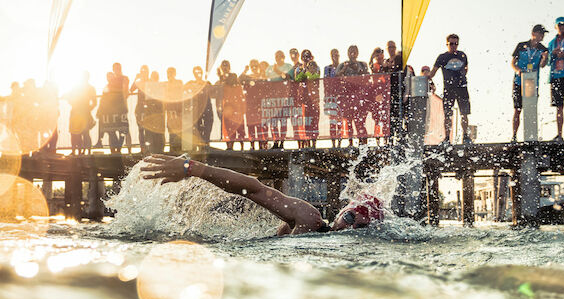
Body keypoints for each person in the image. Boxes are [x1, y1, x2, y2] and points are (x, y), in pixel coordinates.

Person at [141, 154, 385, 235]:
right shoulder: (310, 220)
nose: (350, 229)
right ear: (341, 212)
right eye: (351, 218)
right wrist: (193, 168)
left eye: (361, 228)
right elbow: (255, 188)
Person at [429, 34, 471, 145]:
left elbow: (466, 68)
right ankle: (447, 138)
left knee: (464, 113)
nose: (454, 46)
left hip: (462, 88)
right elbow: (433, 72)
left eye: (456, 44)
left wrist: (461, 76)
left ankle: (466, 136)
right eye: (451, 44)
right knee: (448, 115)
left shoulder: (462, 55)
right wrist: (425, 76)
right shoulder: (442, 57)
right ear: (447, 44)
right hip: (449, 89)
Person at [510, 25, 549, 142]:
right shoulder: (521, 45)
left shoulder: (543, 49)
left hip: (532, 82)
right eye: (540, 33)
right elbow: (513, 62)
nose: (542, 36)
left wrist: (545, 58)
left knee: (531, 109)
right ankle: (514, 135)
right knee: (517, 109)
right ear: (533, 33)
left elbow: (542, 65)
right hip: (519, 81)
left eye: (543, 34)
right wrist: (518, 70)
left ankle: (531, 135)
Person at [336, 45, 369, 145]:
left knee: (360, 121)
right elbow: (337, 76)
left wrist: (359, 71)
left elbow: (367, 77)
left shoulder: (362, 64)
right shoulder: (342, 64)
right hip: (347, 96)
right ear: (347, 53)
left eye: (354, 51)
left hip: (360, 96)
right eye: (351, 51)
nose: (352, 53)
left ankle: (363, 143)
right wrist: (345, 68)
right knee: (349, 121)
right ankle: (350, 142)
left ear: (358, 53)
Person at [96, 63, 131, 154]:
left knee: (123, 129)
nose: (116, 70)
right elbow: (106, 96)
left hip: (122, 108)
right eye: (115, 68)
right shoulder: (110, 83)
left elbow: (125, 92)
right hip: (111, 111)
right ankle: (114, 149)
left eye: (118, 68)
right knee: (111, 129)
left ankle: (119, 149)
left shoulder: (124, 78)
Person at [65, 71, 97, 155]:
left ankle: (86, 151)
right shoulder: (76, 87)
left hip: (83, 112)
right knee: (74, 132)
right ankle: (75, 150)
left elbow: (94, 102)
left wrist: (88, 109)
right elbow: (68, 96)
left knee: (85, 132)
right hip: (76, 112)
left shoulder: (90, 88)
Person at [265, 50, 293, 148]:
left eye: (280, 56)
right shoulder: (269, 68)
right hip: (273, 99)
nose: (278, 57)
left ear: (284, 57)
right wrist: (278, 76)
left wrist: (278, 73)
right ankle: (275, 141)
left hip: (284, 97)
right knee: (274, 121)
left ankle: (282, 142)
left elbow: (288, 77)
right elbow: (267, 79)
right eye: (277, 56)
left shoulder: (288, 66)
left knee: (283, 120)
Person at [294, 49, 321, 148]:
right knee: (306, 121)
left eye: (308, 56)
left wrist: (308, 71)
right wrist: (304, 70)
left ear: (311, 57)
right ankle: (307, 143)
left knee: (315, 120)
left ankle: (314, 143)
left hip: (314, 98)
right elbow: (297, 79)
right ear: (301, 58)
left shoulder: (316, 67)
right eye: (304, 57)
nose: (306, 59)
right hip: (303, 98)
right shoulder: (298, 69)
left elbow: (314, 76)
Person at [217, 60, 245, 150]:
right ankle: (229, 146)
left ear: (229, 67)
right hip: (227, 107)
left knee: (239, 127)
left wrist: (221, 77)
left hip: (236, 106)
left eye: (226, 66)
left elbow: (231, 81)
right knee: (228, 128)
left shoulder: (233, 76)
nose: (225, 68)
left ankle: (242, 147)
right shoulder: (220, 80)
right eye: (223, 66)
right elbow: (217, 91)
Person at [185, 66, 214, 150]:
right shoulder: (191, 83)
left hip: (207, 106)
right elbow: (184, 89)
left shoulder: (207, 83)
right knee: (197, 127)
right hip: (197, 108)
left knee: (208, 125)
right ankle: (198, 144)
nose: (198, 74)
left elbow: (214, 91)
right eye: (196, 72)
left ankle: (206, 143)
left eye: (199, 72)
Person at [323, 49, 342, 147]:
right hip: (330, 97)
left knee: (339, 121)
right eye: (333, 55)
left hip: (340, 96)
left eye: (337, 54)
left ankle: (339, 142)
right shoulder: (327, 68)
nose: (335, 56)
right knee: (332, 121)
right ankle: (333, 143)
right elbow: (325, 82)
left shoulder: (342, 66)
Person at [163, 67, 184, 153]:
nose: (170, 74)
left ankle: (179, 148)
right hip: (169, 109)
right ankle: (172, 147)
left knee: (179, 128)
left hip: (178, 109)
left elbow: (180, 91)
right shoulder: (165, 84)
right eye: (168, 73)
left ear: (174, 73)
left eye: (171, 72)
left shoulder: (179, 82)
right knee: (171, 128)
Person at [130, 65, 150, 153]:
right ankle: (142, 148)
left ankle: (149, 147)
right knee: (140, 129)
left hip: (148, 108)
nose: (143, 72)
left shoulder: (150, 82)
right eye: (142, 71)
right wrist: (136, 78)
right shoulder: (139, 82)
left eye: (145, 71)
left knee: (148, 129)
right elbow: (131, 89)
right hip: (139, 108)